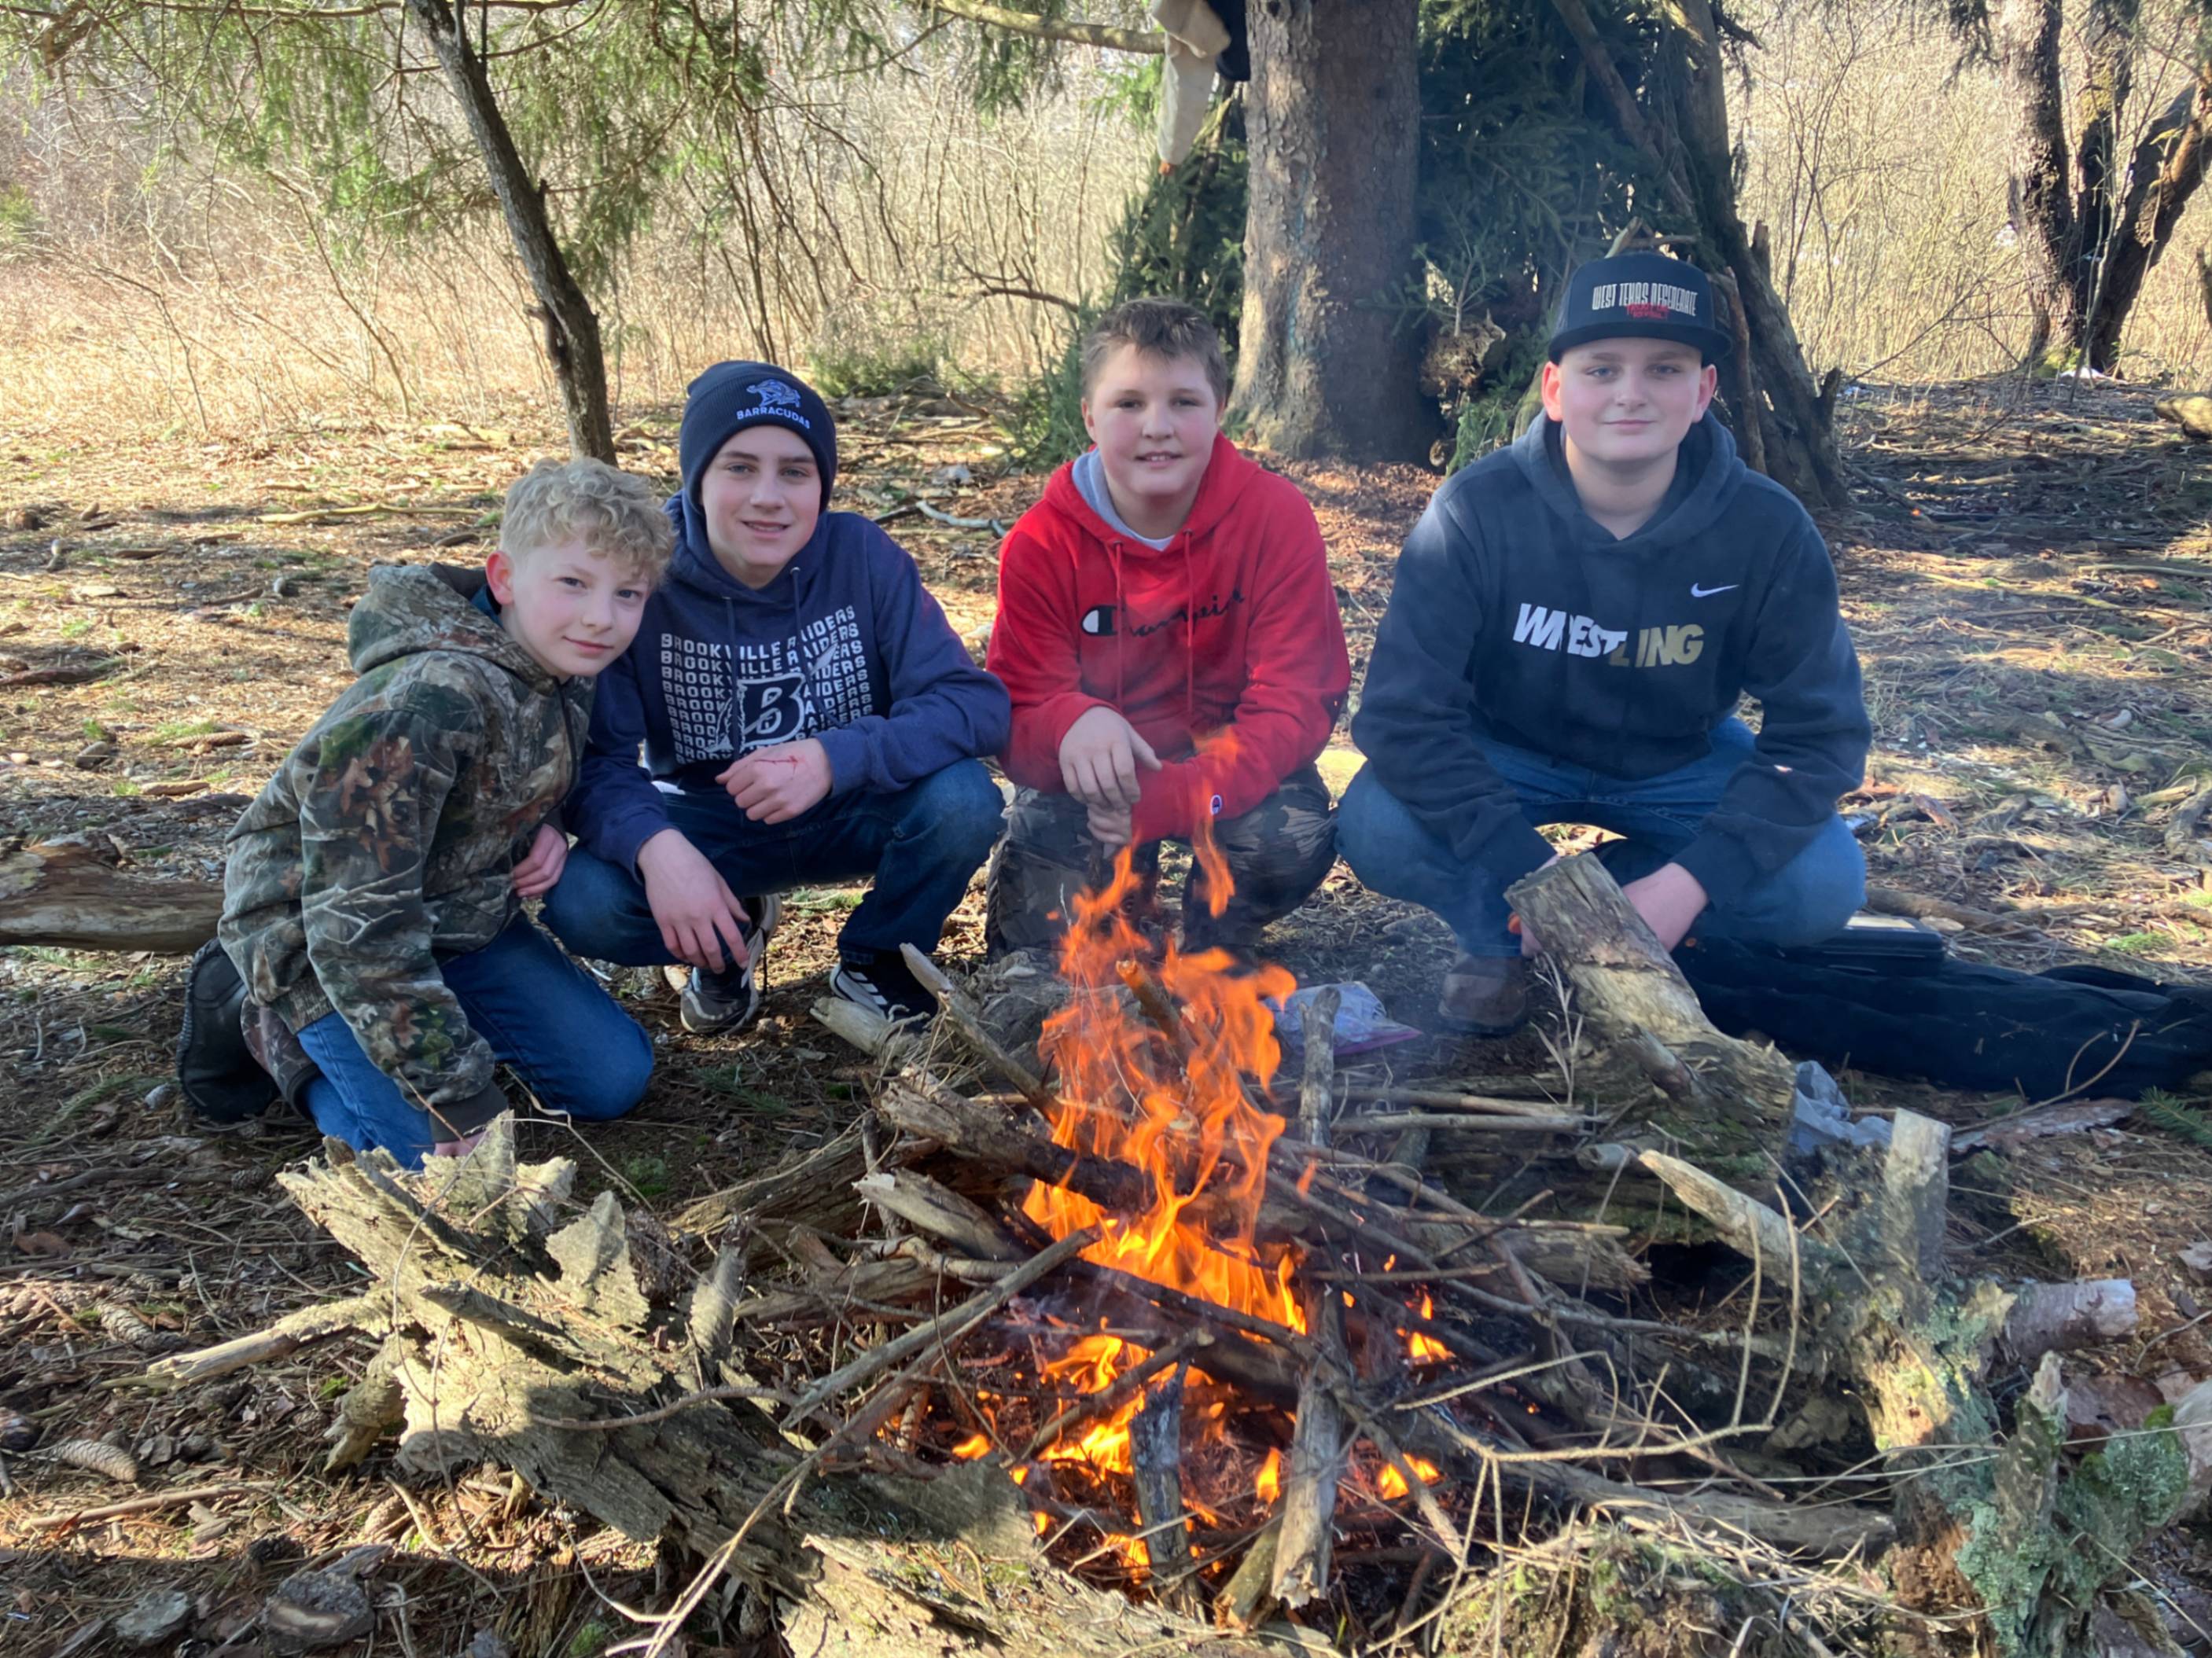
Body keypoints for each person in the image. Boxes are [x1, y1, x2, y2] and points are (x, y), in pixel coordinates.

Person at [1338, 252, 1870, 1037]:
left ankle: (1635, 913)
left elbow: (1819, 737)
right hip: (1507, 753)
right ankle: (1499, 942)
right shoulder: (1474, 513)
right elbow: (1399, 718)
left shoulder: (1766, 529)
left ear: (1702, 392)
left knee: (1823, 882)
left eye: (1663, 368)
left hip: (1678, 763)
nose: (1629, 393)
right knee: (1376, 821)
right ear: (1554, 390)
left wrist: (1688, 882)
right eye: (1600, 368)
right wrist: (1529, 874)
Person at [190, 458, 671, 1165]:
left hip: (460, 916)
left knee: (612, 1080)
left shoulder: (559, 665)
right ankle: (277, 1035)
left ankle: (415, 1032)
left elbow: (505, 779)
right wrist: (458, 1096)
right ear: (504, 578)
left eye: (627, 593)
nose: (601, 616)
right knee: (433, 1166)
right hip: (319, 940)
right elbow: (357, 920)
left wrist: (548, 825)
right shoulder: (423, 703)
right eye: (572, 582)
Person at [543, 362, 1010, 1028]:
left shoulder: (862, 557)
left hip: (849, 805)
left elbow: (973, 704)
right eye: (739, 467)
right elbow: (599, 762)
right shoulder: (642, 575)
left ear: (822, 485)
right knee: (584, 899)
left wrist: (833, 757)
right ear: (696, 478)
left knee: (963, 799)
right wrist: (660, 851)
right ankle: (724, 943)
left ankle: (877, 959)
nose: (769, 495)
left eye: (795, 471)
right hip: (708, 822)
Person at [984, 297, 1349, 960]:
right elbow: (1013, 713)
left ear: (1220, 407)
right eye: (1128, 404)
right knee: (1037, 950)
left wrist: (1175, 797)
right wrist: (1070, 719)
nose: (1157, 427)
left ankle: (1213, 950)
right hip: (1094, 781)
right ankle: (1119, 908)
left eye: (1183, 401)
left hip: (1223, 767)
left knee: (1285, 838)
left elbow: (1296, 703)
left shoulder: (1274, 518)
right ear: (1089, 415)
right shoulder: (1041, 543)